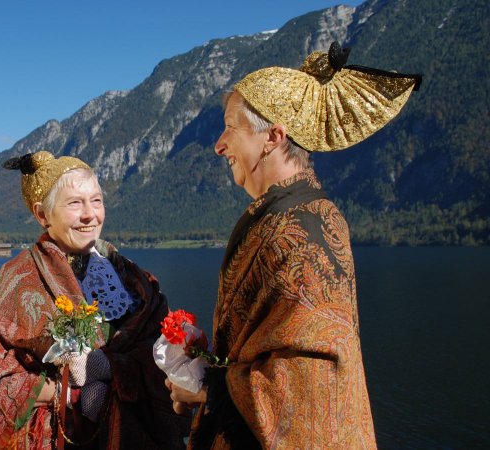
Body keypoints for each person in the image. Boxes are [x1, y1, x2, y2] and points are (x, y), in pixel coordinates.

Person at [165, 42, 421, 448]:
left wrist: (206, 388)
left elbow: (309, 388)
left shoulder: (302, 233)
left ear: (273, 137)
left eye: (231, 127)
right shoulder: (289, 218)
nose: (219, 144)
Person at [0, 150, 190, 449]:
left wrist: (107, 368)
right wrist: (66, 392)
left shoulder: (130, 276)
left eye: (97, 200)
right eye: (75, 203)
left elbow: (162, 348)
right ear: (42, 215)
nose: (90, 214)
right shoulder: (16, 282)